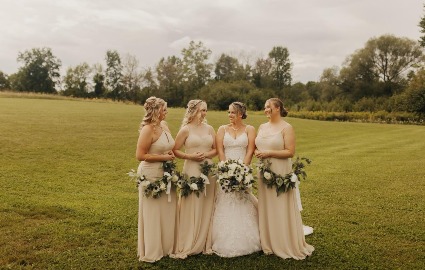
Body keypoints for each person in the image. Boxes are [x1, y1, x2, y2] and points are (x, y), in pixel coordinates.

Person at [254, 98, 314, 260]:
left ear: (278, 108)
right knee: (266, 205)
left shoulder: (287, 128)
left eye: (269, 107)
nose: (266, 109)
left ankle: (283, 241)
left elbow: (290, 152)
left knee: (280, 204)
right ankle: (268, 241)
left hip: (280, 171)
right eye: (265, 107)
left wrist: (268, 153)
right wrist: (258, 153)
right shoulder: (261, 127)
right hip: (263, 171)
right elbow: (257, 146)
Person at [209, 101, 261, 257]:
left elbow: (250, 149)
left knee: (242, 199)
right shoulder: (222, 129)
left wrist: (243, 170)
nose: (229, 115)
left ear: (240, 114)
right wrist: (226, 170)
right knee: (226, 200)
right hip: (226, 170)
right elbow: (220, 150)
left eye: (232, 112)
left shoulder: (250, 129)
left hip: (243, 168)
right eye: (228, 112)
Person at [171, 99, 217, 259]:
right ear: (193, 111)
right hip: (191, 169)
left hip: (208, 170)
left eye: (205, 110)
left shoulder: (210, 129)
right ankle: (188, 240)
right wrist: (189, 156)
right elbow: (175, 150)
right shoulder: (185, 130)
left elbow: (216, 149)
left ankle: (204, 239)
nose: (204, 113)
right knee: (191, 202)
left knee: (207, 203)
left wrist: (206, 154)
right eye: (201, 110)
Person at [135, 96, 177, 262]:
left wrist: (170, 155)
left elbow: (169, 147)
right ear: (156, 111)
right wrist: (164, 158)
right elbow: (140, 155)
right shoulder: (148, 130)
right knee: (153, 212)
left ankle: (167, 246)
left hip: (166, 173)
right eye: (164, 109)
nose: (166, 112)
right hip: (151, 173)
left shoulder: (164, 125)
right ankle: (152, 249)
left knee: (168, 208)